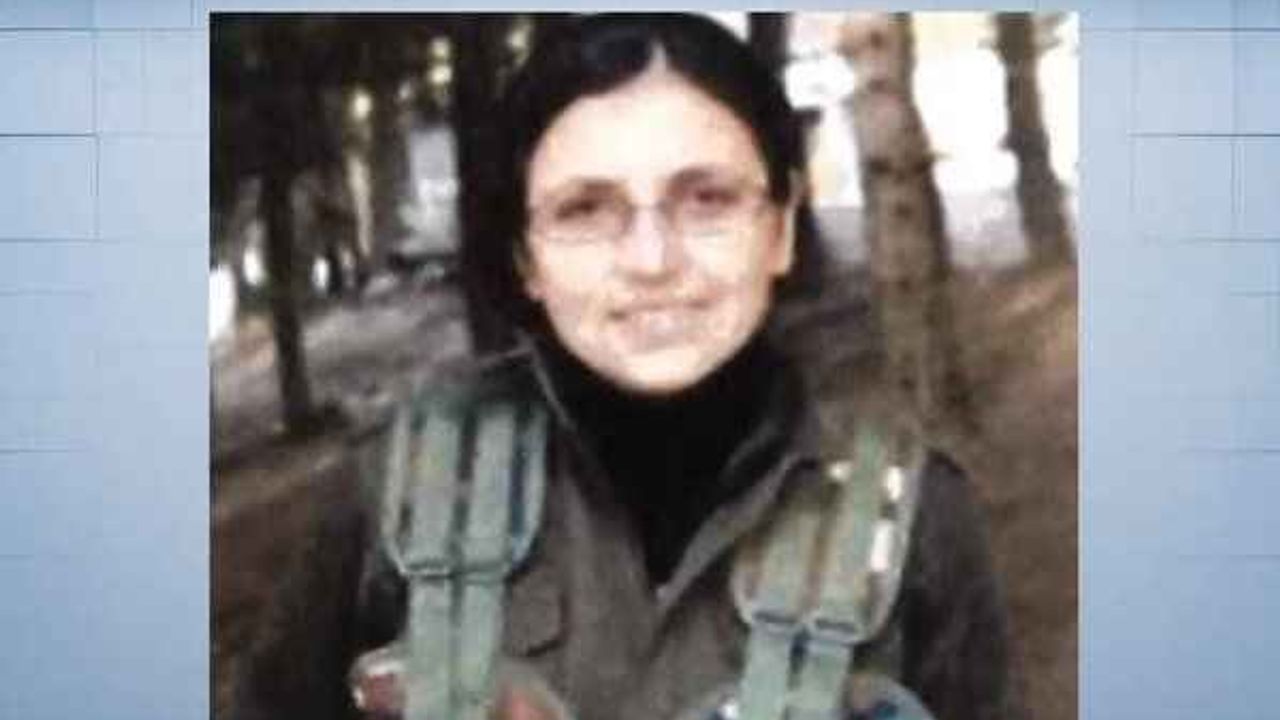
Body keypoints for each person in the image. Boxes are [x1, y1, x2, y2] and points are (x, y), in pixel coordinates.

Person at [230, 13, 1023, 720]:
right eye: (585, 209)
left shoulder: (906, 515)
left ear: (780, 229)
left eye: (707, 199)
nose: (651, 260)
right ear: (525, 258)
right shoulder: (401, 488)